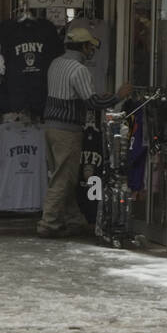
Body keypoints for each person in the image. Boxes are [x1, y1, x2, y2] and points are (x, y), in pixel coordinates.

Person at [38, 27, 132, 238]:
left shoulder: (56, 63)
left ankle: (74, 219)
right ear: (82, 46)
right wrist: (118, 96)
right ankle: (49, 223)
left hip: (51, 127)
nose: (91, 50)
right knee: (63, 178)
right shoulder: (78, 69)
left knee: (63, 175)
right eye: (90, 46)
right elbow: (92, 102)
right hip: (67, 131)